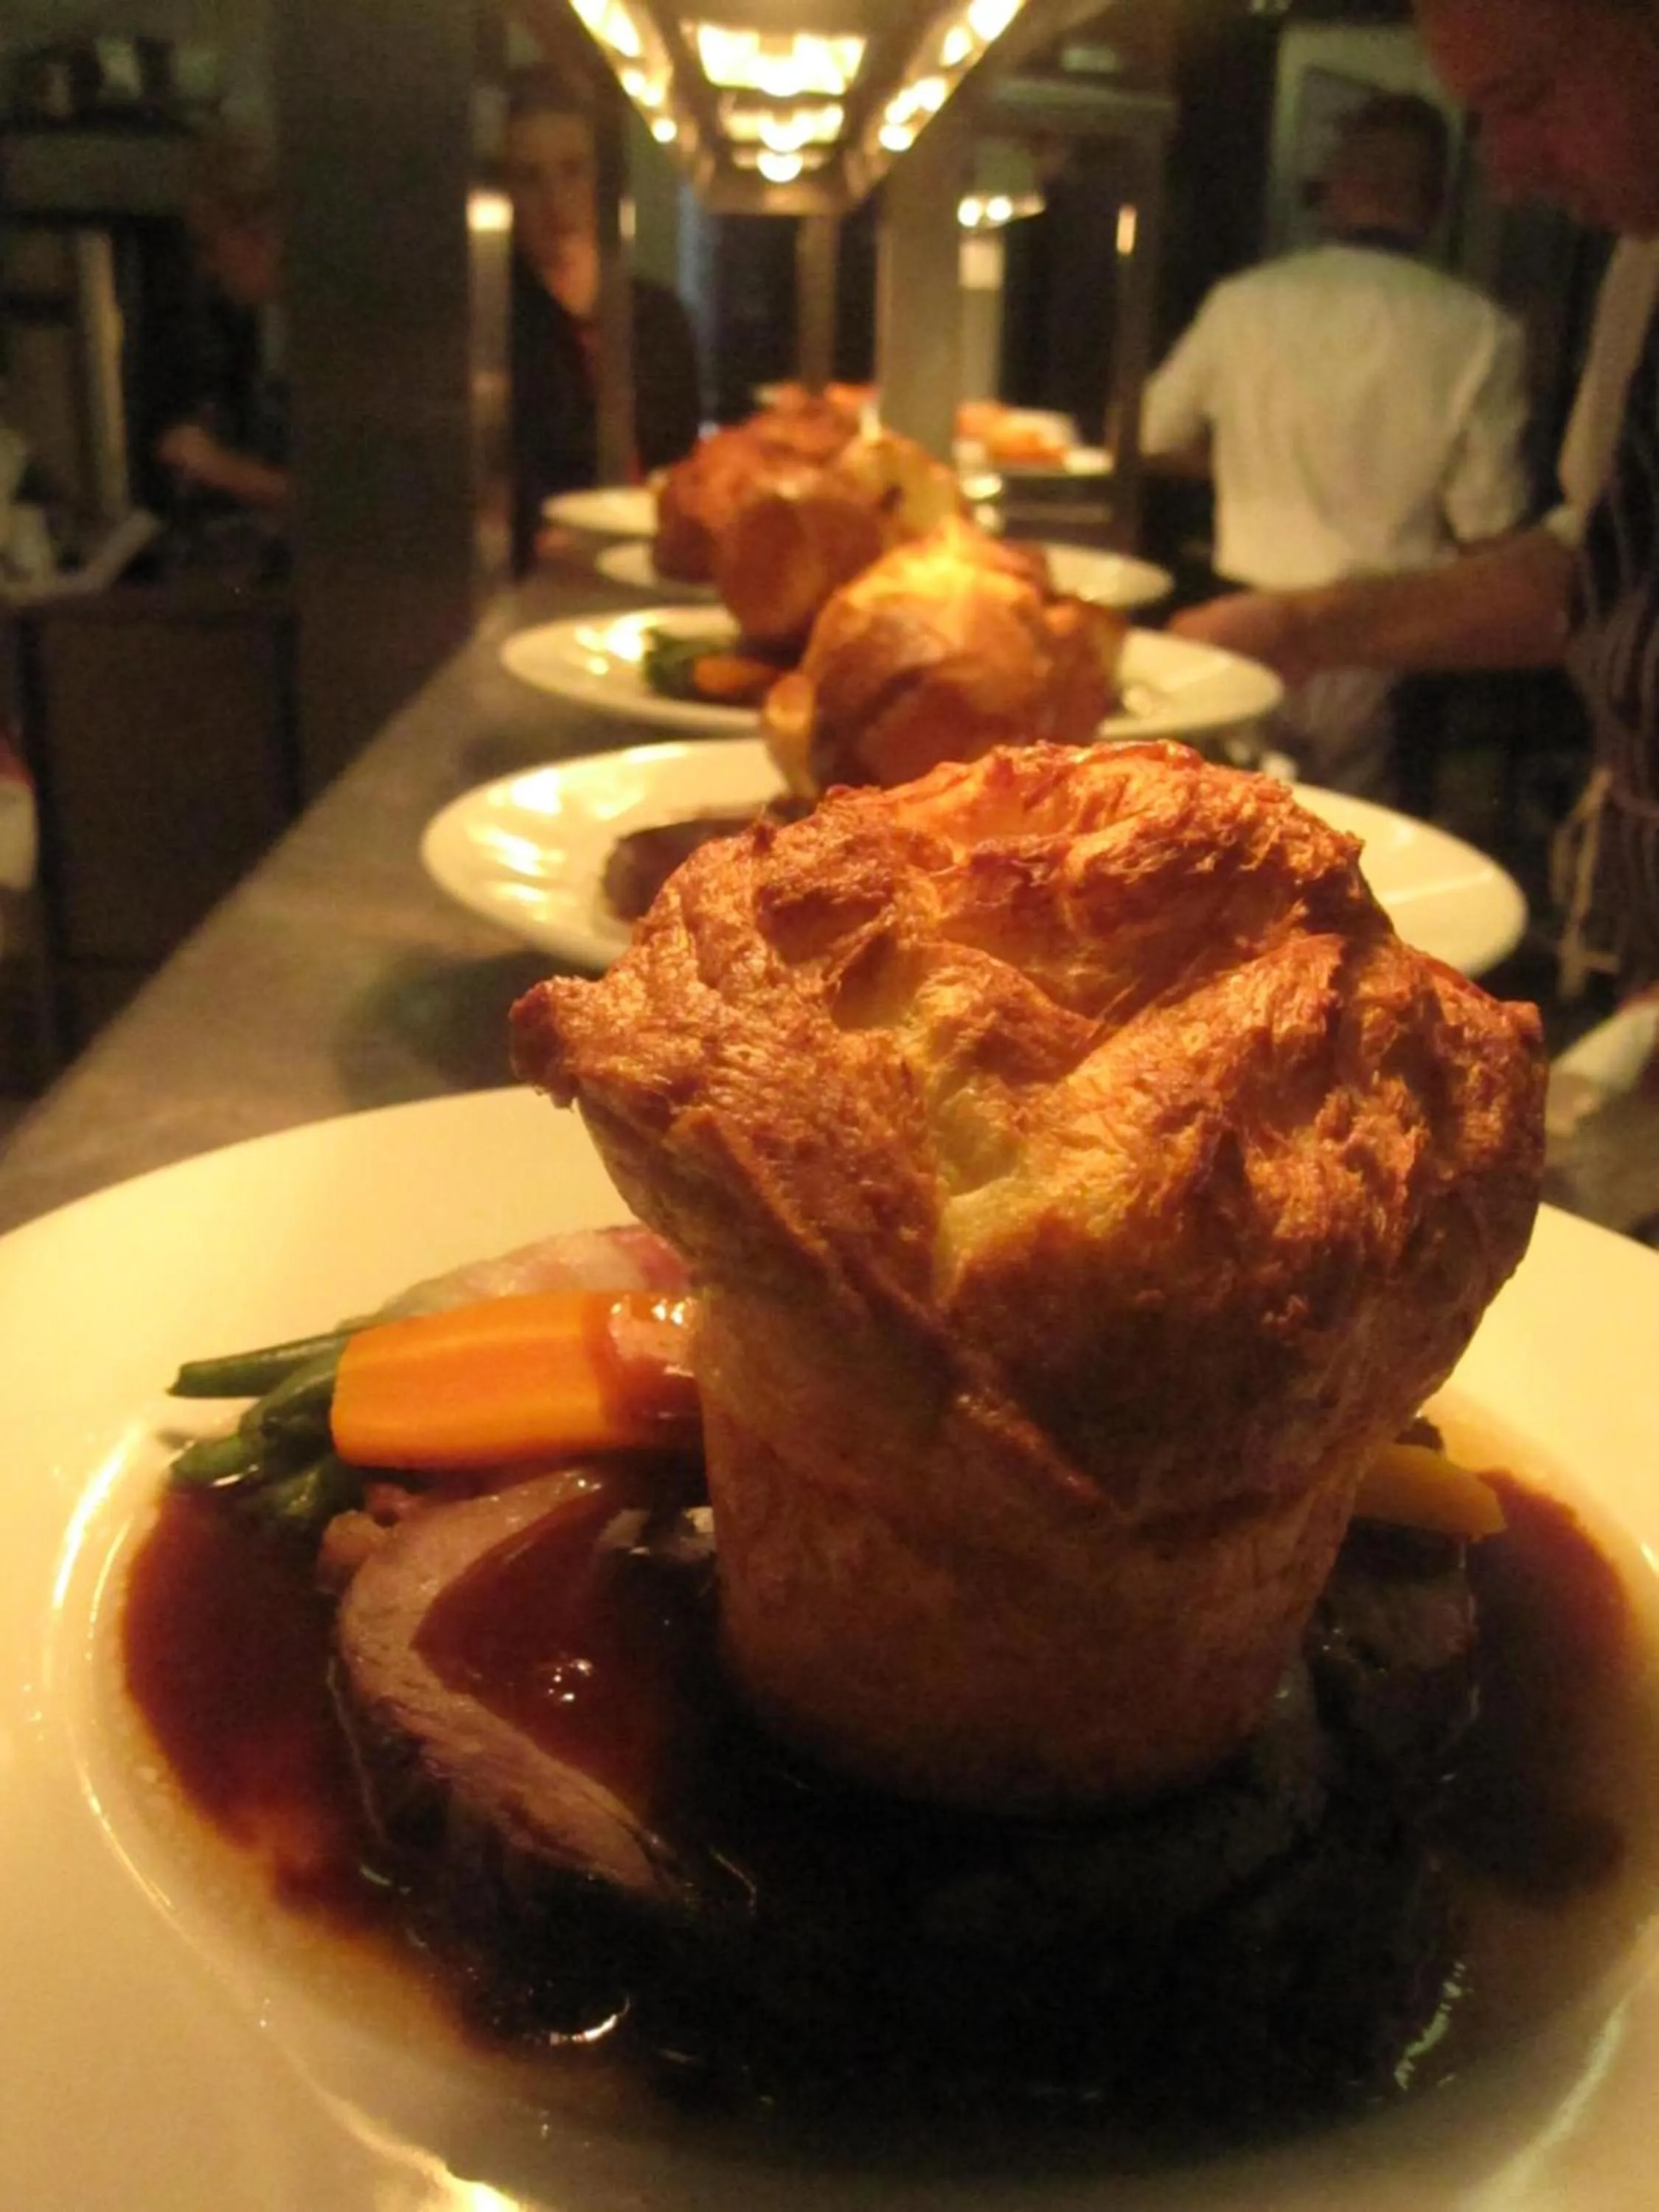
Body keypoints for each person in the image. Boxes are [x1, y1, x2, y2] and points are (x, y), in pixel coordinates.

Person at [1169, 0, 1659, 992]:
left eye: (1524, 99)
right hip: (1327, 646)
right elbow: (1559, 553)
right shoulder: (1612, 284)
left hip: (1310, 631)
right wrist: (1298, 625)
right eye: (1482, 121)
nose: (1510, 172)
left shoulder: (1244, 301)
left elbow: (1167, 435)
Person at [1142, 90, 1531, 799]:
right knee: (1373, 863)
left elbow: (1154, 437)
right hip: (1386, 640)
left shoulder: (1245, 302)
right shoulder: (1479, 328)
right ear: (1434, 201)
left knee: (1229, 854)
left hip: (1245, 621)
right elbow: (1490, 524)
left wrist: (1242, 467)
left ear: (1335, 187)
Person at [504, 69, 703, 574]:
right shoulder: (493, 327)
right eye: (529, 177)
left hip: (654, 568)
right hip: (538, 577)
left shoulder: (659, 317)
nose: (553, 200)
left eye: (572, 170)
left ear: (602, 177)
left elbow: (683, 466)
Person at [155, 124, 289, 554]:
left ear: (264, 231)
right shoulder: (285, 323)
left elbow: (353, 505)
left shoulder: (342, 326)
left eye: (209, 244)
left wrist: (218, 468)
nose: (206, 268)